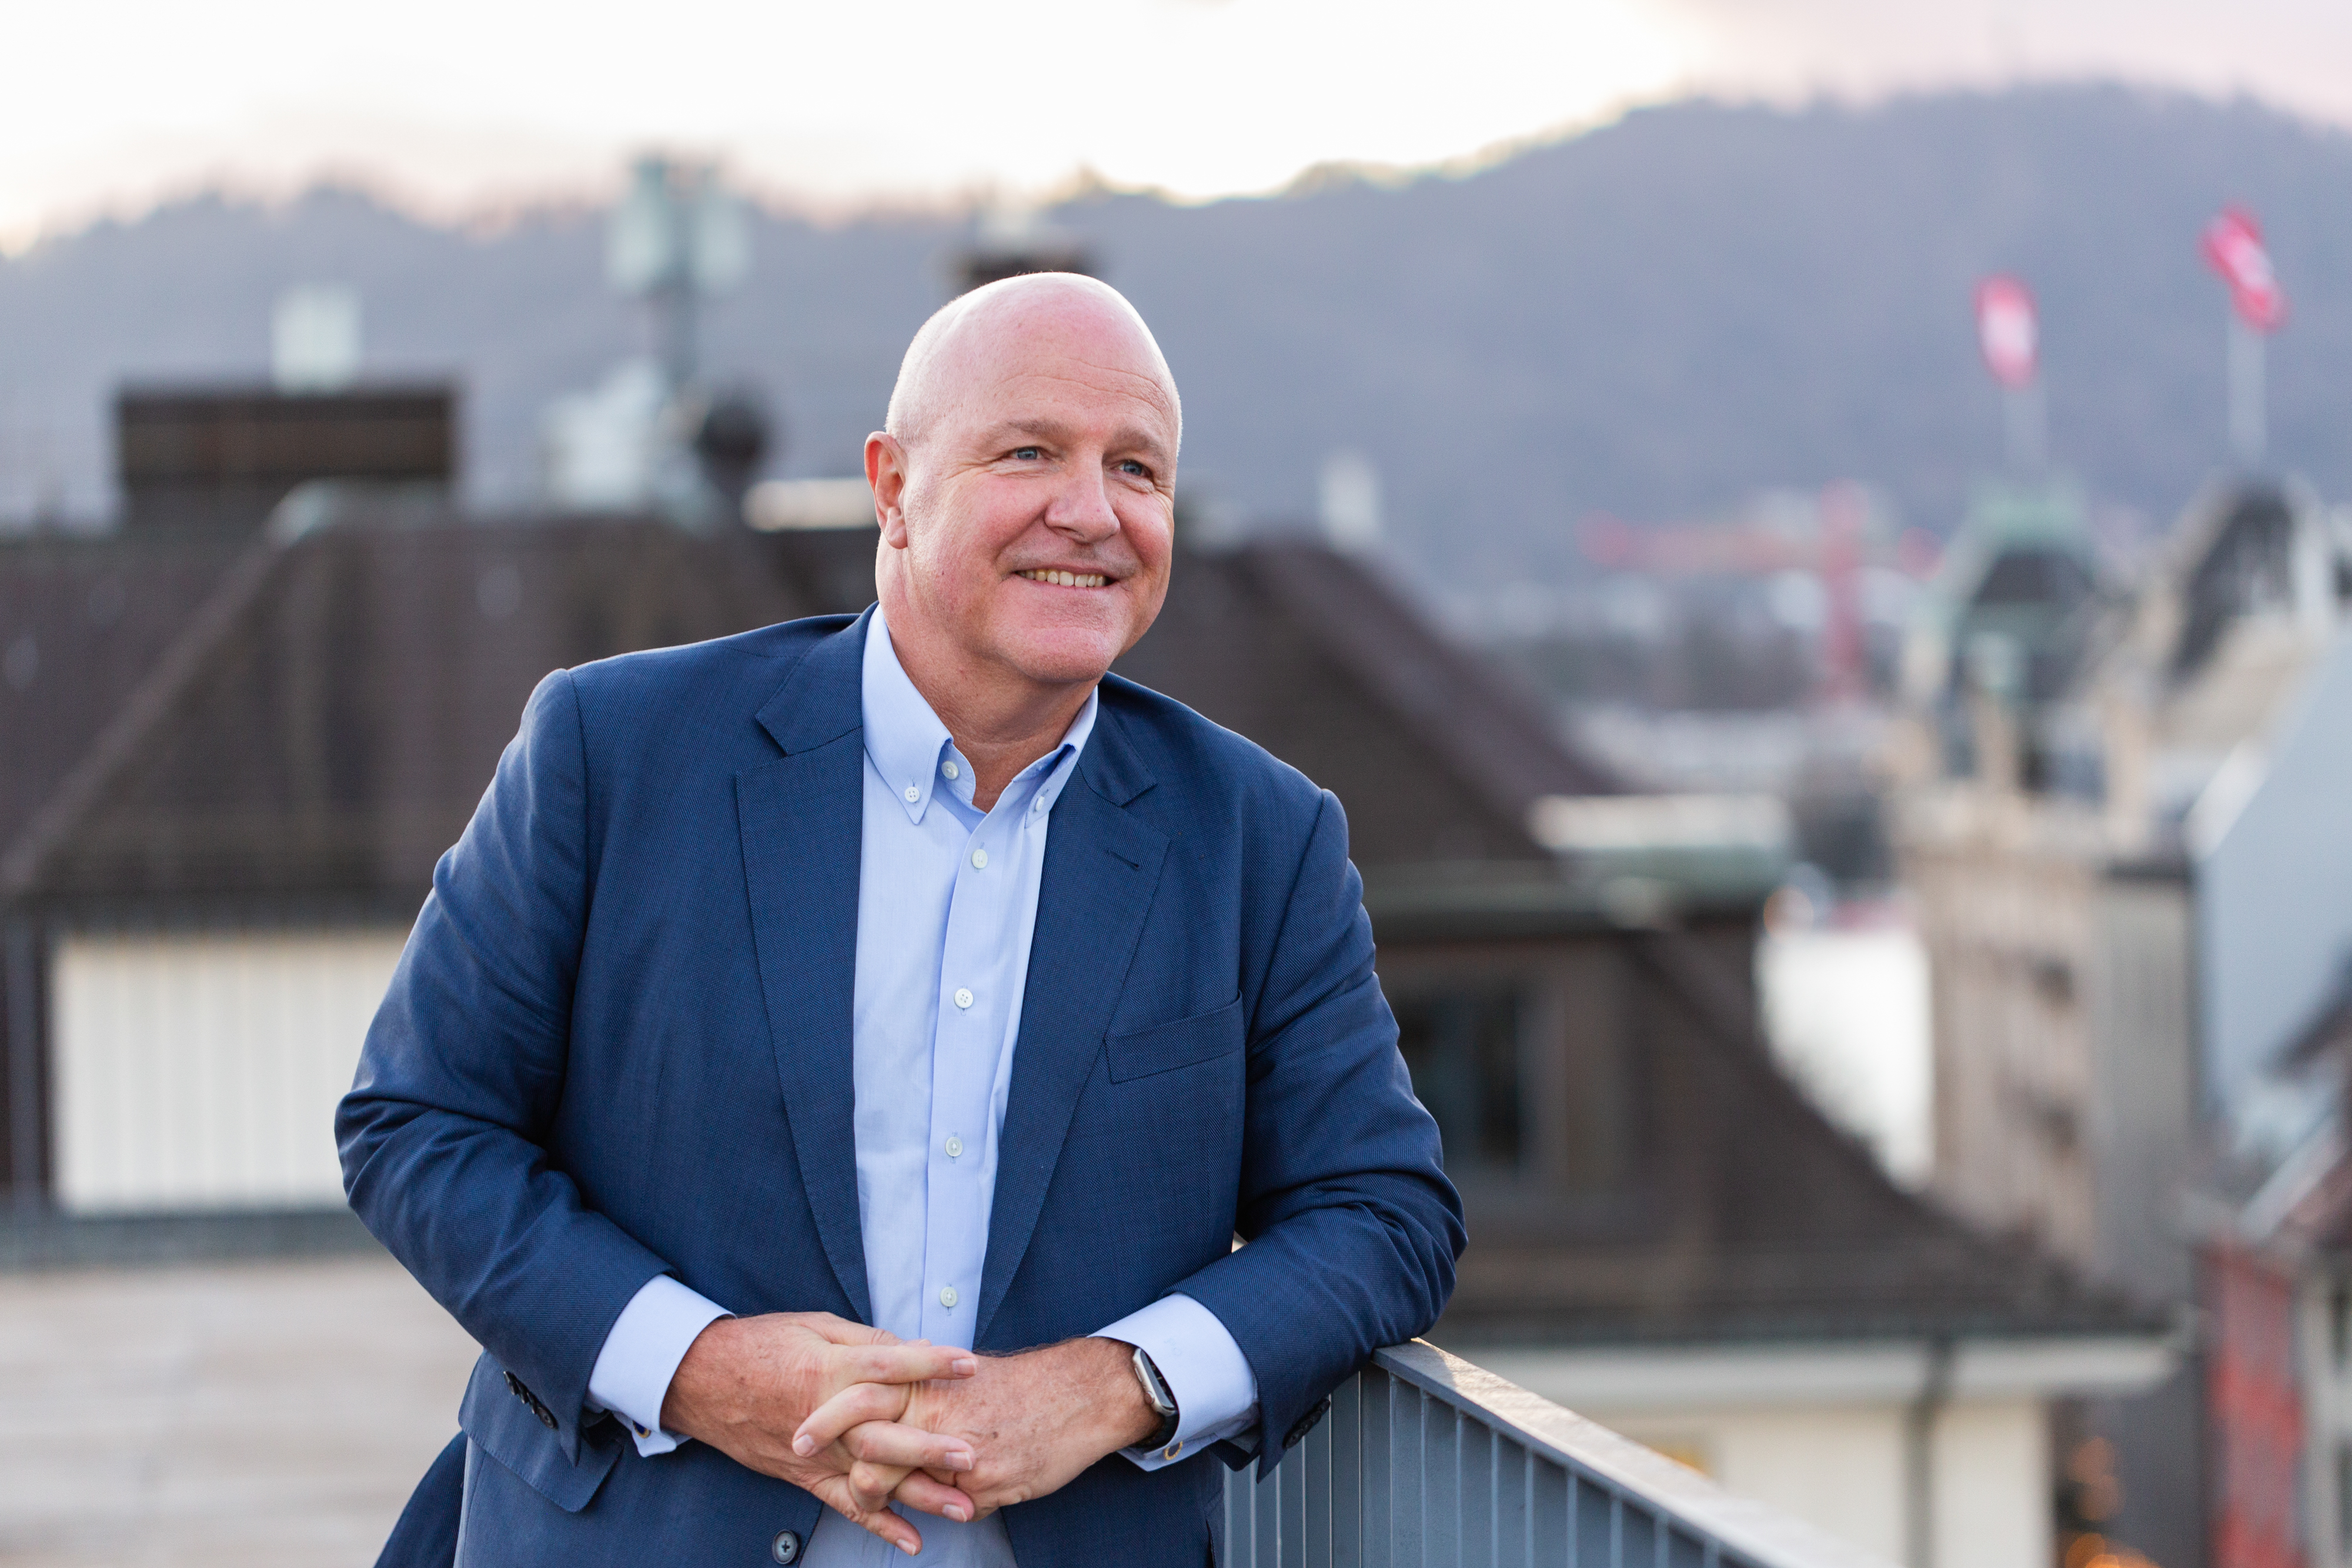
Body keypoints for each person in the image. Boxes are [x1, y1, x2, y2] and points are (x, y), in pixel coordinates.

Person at [339, 272, 1464, 1567]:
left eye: (1136, 469)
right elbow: (418, 1120)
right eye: (1028, 450)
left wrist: (1110, 1385)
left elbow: (1382, 1209)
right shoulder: (617, 753)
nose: (1090, 511)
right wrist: (701, 1368)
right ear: (891, 486)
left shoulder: (1260, 836)